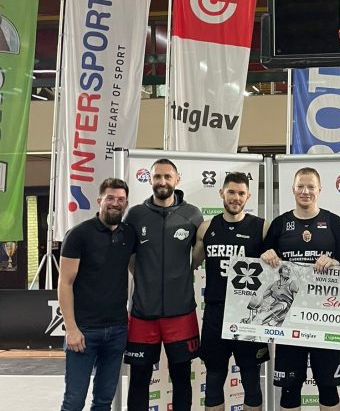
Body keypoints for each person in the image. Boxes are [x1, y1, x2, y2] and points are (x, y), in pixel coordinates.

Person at [260, 167, 340, 411]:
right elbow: (264, 264)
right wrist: (266, 255)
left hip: (326, 317)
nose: (305, 191)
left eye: (311, 187)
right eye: (300, 186)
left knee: (328, 387)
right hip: (288, 318)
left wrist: (335, 262)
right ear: (293, 189)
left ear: (319, 190)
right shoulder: (280, 224)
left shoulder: (334, 222)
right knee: (289, 389)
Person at [124, 159, 204, 411]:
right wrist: (145, 279)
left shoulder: (192, 214)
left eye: (167, 176)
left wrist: (181, 275)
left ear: (177, 179)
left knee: (181, 378)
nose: (162, 181)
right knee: (139, 379)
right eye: (157, 176)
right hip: (142, 313)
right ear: (150, 179)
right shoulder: (135, 215)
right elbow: (131, 259)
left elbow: (198, 254)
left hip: (181, 313)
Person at [191, 172, 270, 411]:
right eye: (231, 192)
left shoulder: (262, 227)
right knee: (214, 379)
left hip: (249, 314)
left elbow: (280, 267)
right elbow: (189, 265)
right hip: (216, 312)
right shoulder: (207, 228)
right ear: (221, 193)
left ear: (248, 196)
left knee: (251, 380)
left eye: (241, 193)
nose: (236, 198)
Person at [58, 178, 137, 411]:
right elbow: (65, 283)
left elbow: (136, 268)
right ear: (99, 200)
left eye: (121, 199)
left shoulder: (129, 234)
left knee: (103, 401)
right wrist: (71, 329)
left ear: (126, 203)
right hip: (84, 331)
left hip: (117, 330)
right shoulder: (79, 234)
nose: (115, 203)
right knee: (74, 401)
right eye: (110, 198)